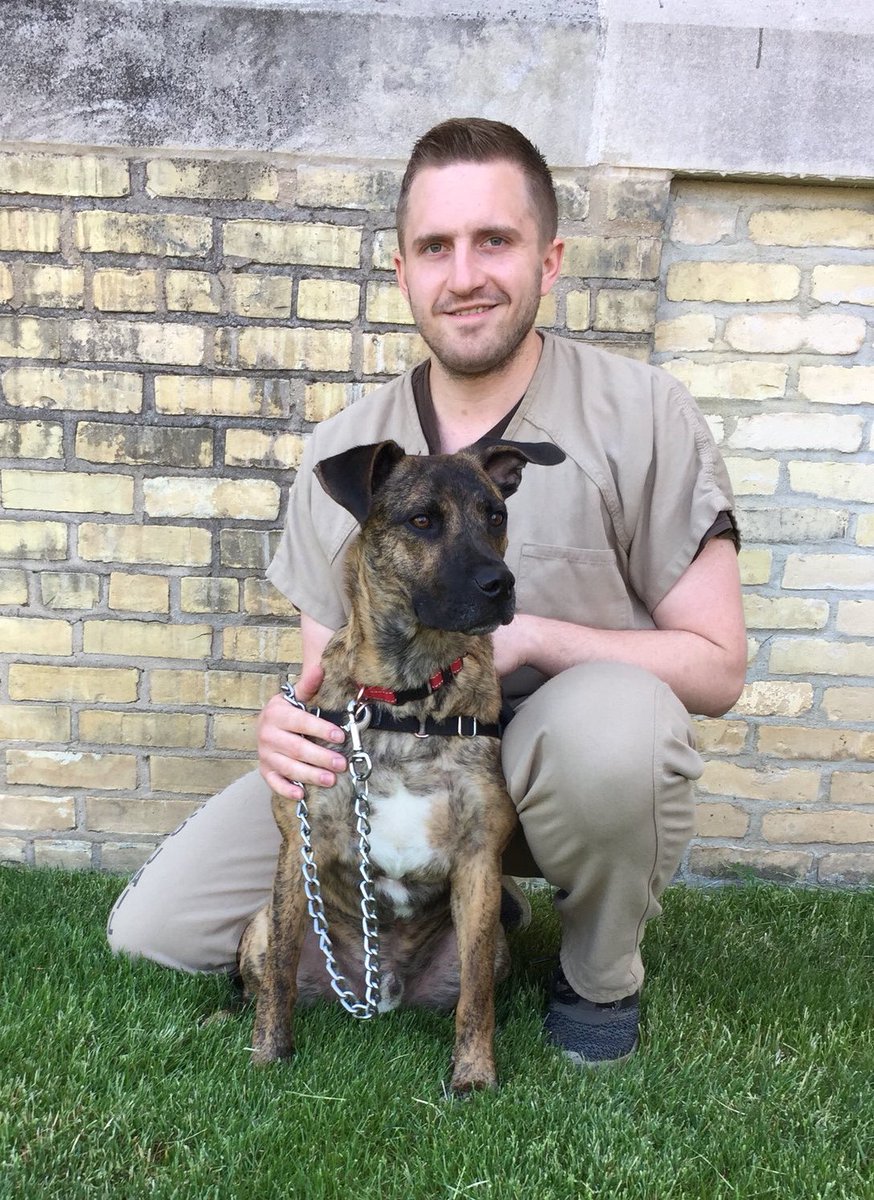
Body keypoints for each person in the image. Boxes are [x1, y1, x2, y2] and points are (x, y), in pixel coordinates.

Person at [108, 118, 746, 1068]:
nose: (466, 274)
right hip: (386, 757)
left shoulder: (643, 414)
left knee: (617, 734)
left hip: (547, 770)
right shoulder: (350, 449)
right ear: (403, 270)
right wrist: (287, 722)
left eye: (496, 240)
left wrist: (534, 637)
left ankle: (597, 975)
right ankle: (457, 906)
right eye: (436, 246)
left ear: (550, 258)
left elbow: (719, 666)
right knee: (154, 932)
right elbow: (327, 666)